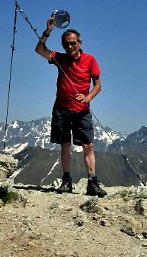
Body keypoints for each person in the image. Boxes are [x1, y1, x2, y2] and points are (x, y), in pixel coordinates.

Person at [35, 13, 106, 196]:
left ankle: (92, 181)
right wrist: (48, 31)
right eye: (66, 44)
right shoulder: (60, 58)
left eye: (73, 43)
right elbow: (39, 50)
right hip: (62, 109)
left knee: (88, 146)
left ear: (80, 43)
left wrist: (88, 97)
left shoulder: (90, 60)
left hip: (82, 110)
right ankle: (67, 181)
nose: (70, 47)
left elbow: (98, 85)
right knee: (65, 145)